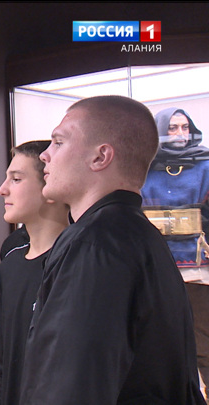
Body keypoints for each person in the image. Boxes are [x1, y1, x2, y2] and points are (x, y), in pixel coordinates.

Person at [19, 95, 204, 404]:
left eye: (59, 142)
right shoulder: (143, 237)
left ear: (100, 157)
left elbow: (71, 386)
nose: (45, 155)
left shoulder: (94, 244)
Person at [141, 107, 209, 400]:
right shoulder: (143, 167)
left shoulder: (206, 165)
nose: (180, 134)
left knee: (203, 339)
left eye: (184, 127)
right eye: (172, 128)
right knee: (161, 340)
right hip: (155, 266)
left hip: (197, 266)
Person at [0, 140, 68, 405]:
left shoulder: (76, 265)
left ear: (50, 186)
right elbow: (5, 365)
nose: (2, 190)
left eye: (16, 179)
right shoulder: (11, 265)